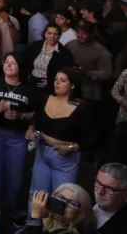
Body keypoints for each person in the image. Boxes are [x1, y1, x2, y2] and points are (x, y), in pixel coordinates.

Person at [0, 51, 38, 234]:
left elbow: (37, 114)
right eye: (6, 62)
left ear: (20, 67)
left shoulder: (29, 89)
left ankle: (15, 215)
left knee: (16, 179)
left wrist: (21, 116)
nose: (8, 65)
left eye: (13, 62)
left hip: (17, 138)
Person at [27, 69, 92, 202]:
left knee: (61, 200)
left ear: (72, 85)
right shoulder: (45, 98)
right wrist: (31, 128)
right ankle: (33, 217)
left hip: (65, 158)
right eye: (56, 80)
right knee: (36, 195)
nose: (57, 83)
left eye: (62, 81)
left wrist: (72, 147)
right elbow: (36, 117)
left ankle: (56, 217)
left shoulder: (82, 107)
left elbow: (93, 137)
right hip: (42, 151)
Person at [12, 183, 96, 234]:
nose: (64, 203)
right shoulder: (44, 219)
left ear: (81, 213)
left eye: (72, 203)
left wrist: (35, 217)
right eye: (60, 197)